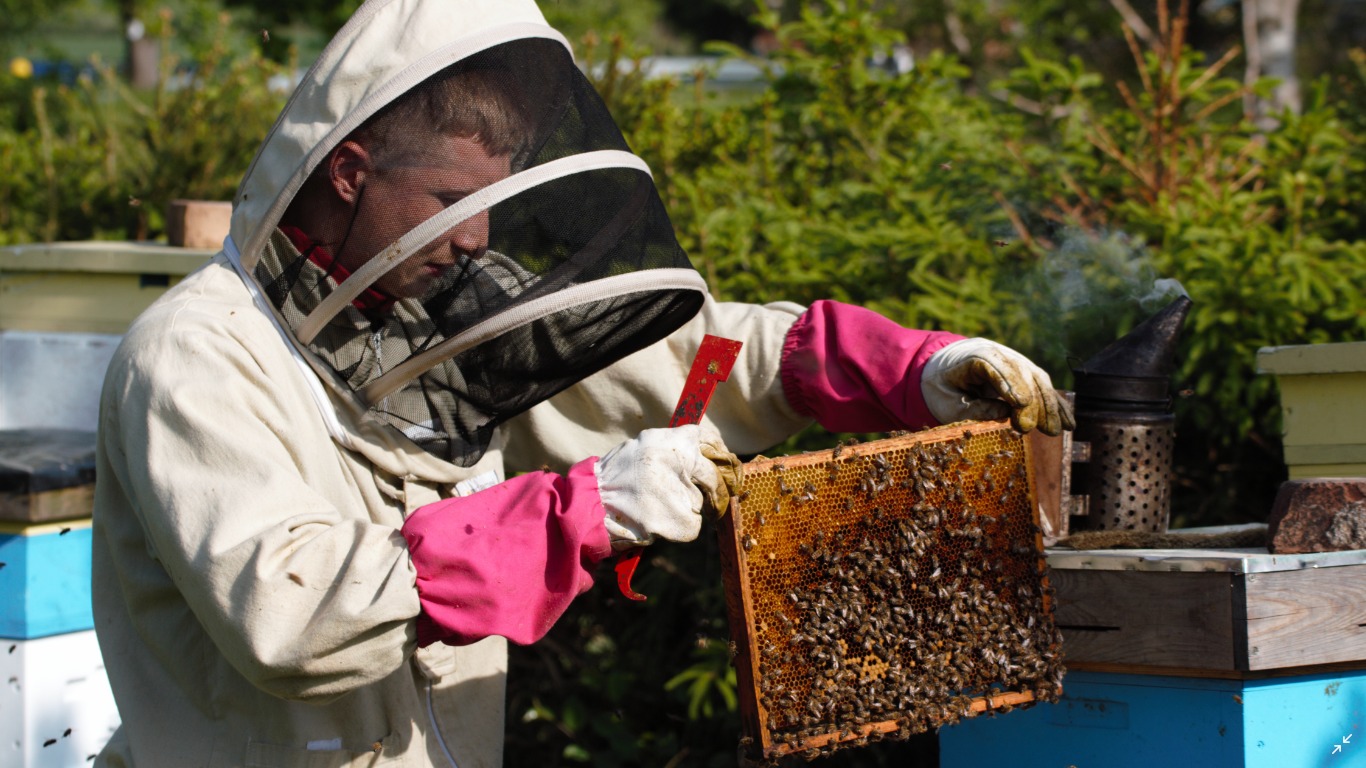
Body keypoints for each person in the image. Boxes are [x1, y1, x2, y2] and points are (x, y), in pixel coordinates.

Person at [90, 1, 1072, 766]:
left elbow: (696, 366)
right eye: (448, 202)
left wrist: (902, 369)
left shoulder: (443, 308)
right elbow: (292, 616)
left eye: (494, 201)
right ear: (349, 171)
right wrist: (576, 514)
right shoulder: (193, 357)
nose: (475, 238)